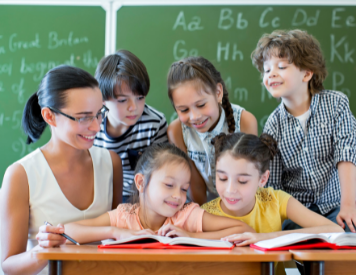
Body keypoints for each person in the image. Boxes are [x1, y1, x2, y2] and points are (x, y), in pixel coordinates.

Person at [0, 65, 123, 275]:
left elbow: (116, 240)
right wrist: (42, 251)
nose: (96, 127)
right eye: (84, 117)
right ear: (49, 116)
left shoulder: (111, 163)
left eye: (99, 114)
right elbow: (9, 266)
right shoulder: (21, 175)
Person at [251, 29, 356, 235]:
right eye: (266, 70)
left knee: (352, 246)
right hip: (298, 214)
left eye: (281, 66)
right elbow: (274, 185)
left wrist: (348, 206)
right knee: (309, 252)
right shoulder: (273, 125)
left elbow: (346, 153)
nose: (271, 74)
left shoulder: (336, 104)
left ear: (307, 73)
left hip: (337, 207)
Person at [201, 132, 344, 275]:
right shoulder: (202, 215)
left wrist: (266, 237)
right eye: (222, 178)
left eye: (242, 181)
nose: (230, 190)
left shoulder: (275, 200)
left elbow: (335, 230)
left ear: (263, 179)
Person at [64, 143, 255, 243]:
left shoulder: (186, 215)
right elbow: (67, 231)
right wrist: (115, 232)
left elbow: (244, 230)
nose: (178, 196)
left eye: (183, 189)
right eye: (169, 185)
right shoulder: (124, 216)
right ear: (141, 182)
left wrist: (190, 237)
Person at [167, 56, 257, 205]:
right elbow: (195, 184)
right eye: (184, 110)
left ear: (218, 92)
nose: (195, 116)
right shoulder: (176, 131)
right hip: (202, 204)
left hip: (240, 201)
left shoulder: (245, 122)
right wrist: (205, 218)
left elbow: (248, 179)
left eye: (201, 105)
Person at [94, 50, 168, 203]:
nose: (133, 107)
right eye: (122, 100)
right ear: (102, 99)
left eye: (140, 98)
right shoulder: (92, 125)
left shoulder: (154, 123)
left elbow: (160, 172)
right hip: (101, 194)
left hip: (139, 196)